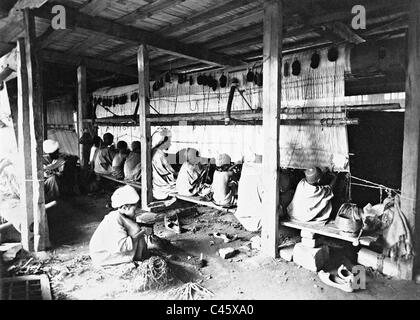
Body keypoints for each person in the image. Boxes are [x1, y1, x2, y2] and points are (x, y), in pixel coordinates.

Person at [89, 185, 153, 267]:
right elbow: (122, 246)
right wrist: (143, 232)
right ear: (125, 207)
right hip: (103, 256)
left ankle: (141, 256)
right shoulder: (114, 219)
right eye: (135, 208)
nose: (137, 211)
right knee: (137, 230)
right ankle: (138, 259)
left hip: (111, 251)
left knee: (136, 229)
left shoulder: (122, 216)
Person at [151, 128, 177, 200]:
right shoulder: (160, 154)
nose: (170, 144)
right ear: (163, 141)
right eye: (169, 141)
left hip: (157, 183)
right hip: (162, 186)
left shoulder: (154, 151)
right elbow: (169, 174)